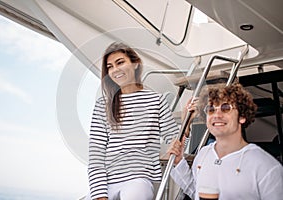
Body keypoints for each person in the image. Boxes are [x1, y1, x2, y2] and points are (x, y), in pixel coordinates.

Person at [86, 42, 179, 200]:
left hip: (139, 179)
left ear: (135, 64)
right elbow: (96, 155)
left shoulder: (156, 100)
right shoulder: (103, 105)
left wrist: (188, 122)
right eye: (110, 66)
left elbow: (174, 138)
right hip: (107, 181)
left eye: (120, 62)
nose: (115, 70)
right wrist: (100, 195)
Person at [168, 83, 283, 200]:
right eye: (211, 109)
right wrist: (178, 162)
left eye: (226, 108)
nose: (217, 115)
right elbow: (196, 191)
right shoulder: (203, 154)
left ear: (242, 116)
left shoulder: (265, 166)